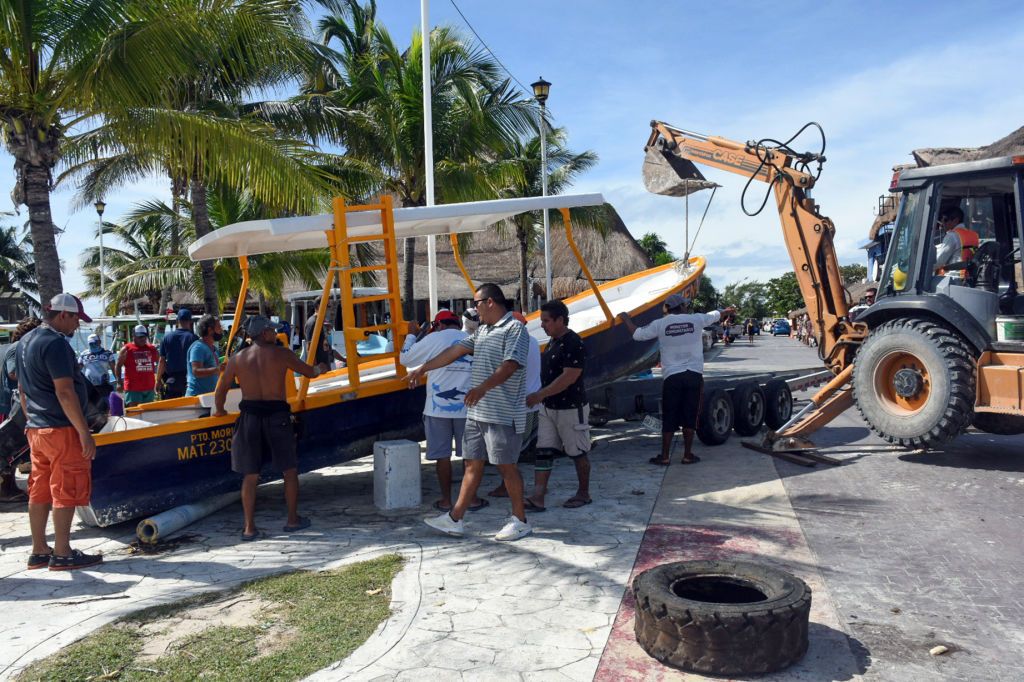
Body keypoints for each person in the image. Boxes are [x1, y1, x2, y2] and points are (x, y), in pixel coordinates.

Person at [411, 283, 533, 542]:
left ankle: (520, 521)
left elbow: (510, 366)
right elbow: (454, 352)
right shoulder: (483, 331)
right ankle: (455, 519)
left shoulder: (515, 329)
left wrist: (481, 389)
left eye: (476, 303)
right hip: (477, 413)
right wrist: (423, 368)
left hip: (501, 412)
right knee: (471, 464)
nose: (474, 310)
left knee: (506, 466)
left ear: (490, 302)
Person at [214, 316, 321, 540]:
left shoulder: (238, 358)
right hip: (277, 416)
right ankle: (292, 520)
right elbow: (309, 372)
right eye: (272, 331)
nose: (274, 333)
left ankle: (249, 528)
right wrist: (320, 368)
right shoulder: (281, 354)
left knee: (250, 475)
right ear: (264, 333)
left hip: (250, 417)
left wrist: (220, 410)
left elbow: (222, 388)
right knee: (289, 471)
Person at [16, 293, 102, 570]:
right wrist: (83, 432)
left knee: (39, 488)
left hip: (37, 429)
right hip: (60, 428)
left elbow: (22, 391)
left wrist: (33, 421)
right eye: (76, 319)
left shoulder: (24, 341)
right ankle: (63, 552)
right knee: (66, 487)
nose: (77, 325)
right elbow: (65, 391)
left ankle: (39, 549)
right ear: (63, 315)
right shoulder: (55, 344)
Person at [619, 294, 735, 465]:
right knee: (690, 415)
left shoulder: (660, 323)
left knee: (670, 415)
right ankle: (687, 455)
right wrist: (726, 311)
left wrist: (625, 318)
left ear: (668, 308)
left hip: (672, 377)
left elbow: (637, 334)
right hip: (693, 375)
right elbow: (716, 315)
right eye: (685, 305)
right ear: (681, 307)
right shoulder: (696, 320)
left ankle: (665, 456)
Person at [400, 310, 485, 513]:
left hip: (437, 409)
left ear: (438, 325)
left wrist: (411, 334)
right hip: (468, 409)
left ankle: (446, 500)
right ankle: (471, 499)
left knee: (443, 457)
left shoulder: (434, 338)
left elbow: (406, 359)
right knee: (470, 457)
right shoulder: (473, 338)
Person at [524, 300, 592, 511]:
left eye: (546, 321)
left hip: (571, 408)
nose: (543, 325)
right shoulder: (553, 342)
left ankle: (583, 493)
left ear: (560, 320)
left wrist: (539, 395)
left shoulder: (574, 343)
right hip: (548, 407)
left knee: (577, 451)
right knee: (543, 451)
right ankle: (538, 496)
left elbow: (570, 376)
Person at [1, 317, 42, 502]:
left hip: (11, 404)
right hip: (8, 405)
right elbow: (13, 372)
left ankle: (7, 488)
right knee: (8, 447)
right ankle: (6, 490)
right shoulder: (19, 347)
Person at [157, 309, 198, 399]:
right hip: (189, 380)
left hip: (172, 381)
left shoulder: (166, 338)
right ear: (190, 321)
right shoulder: (194, 338)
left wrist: (158, 380)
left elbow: (162, 361)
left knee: (172, 410)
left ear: (177, 320)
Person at [115, 325, 160, 406]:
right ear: (134, 336)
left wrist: (159, 380)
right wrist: (119, 382)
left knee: (148, 414)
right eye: (139, 337)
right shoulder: (126, 349)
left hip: (149, 387)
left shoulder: (152, 349)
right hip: (133, 389)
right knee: (134, 413)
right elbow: (118, 365)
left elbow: (160, 363)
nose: (142, 339)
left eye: (144, 336)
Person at [934, 207, 978, 278]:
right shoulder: (974, 235)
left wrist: (923, 268)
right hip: (968, 277)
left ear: (955, 220)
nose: (942, 223)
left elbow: (939, 262)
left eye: (945, 220)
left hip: (953, 278)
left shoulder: (952, 236)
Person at [186, 315, 224, 396]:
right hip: (197, 398)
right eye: (219, 327)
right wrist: (217, 369)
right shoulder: (198, 347)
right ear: (210, 330)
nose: (221, 329)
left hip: (208, 397)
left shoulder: (213, 348)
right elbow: (196, 371)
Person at [78, 333, 116, 399]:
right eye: (90, 343)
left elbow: (114, 368)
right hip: (89, 386)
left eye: (94, 343)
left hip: (104, 386)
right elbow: (77, 370)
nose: (92, 345)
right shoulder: (83, 354)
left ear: (99, 342)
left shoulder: (108, 353)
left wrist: (118, 382)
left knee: (106, 406)